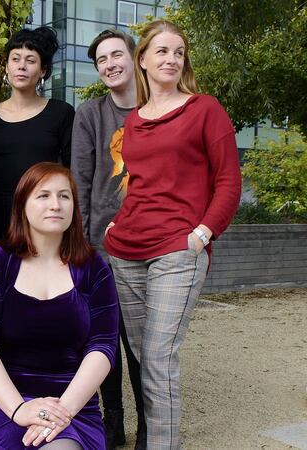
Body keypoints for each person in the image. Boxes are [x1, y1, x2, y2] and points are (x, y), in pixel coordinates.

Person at [103, 20, 241, 450]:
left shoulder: (205, 109)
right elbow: (142, 182)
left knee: (158, 360)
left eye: (179, 52)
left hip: (178, 251)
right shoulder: (134, 120)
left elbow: (229, 182)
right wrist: (116, 223)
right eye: (162, 51)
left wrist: (202, 234)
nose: (171, 59)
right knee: (144, 359)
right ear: (142, 60)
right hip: (126, 251)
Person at [0, 162, 119, 450]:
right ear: (22, 205)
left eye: (64, 196)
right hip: (5, 402)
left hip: (74, 405)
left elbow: (103, 346)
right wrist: (20, 409)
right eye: (43, 195)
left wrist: (62, 412)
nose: (55, 204)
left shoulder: (93, 268)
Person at [70, 29, 144, 450]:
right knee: (104, 336)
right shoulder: (91, 114)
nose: (110, 64)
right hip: (100, 244)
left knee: (144, 342)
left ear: (135, 58)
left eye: (117, 55)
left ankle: (150, 422)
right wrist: (80, 242)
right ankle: (112, 418)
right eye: (101, 60)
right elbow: (80, 179)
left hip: (150, 244)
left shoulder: (157, 108)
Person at [0, 27, 75, 243]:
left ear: (42, 70)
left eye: (30, 60)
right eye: (15, 59)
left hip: (45, 218)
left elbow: (71, 171)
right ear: (6, 66)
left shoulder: (61, 113)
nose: (21, 66)